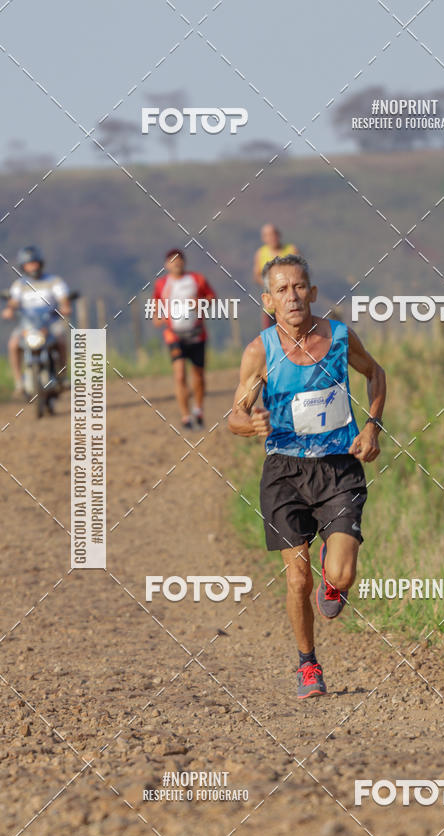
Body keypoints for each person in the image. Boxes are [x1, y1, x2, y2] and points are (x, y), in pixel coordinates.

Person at [229, 254, 386, 699]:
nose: (292, 296)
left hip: (339, 468)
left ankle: (332, 579)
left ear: (313, 293)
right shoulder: (260, 351)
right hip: (284, 472)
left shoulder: (339, 336)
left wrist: (372, 425)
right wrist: (249, 424)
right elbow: (235, 416)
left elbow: (376, 373)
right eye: (282, 290)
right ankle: (308, 664)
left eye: (299, 287)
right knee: (297, 579)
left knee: (341, 576)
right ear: (268, 300)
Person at [153, 248, 216, 430]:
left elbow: (211, 297)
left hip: (197, 334)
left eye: (179, 260)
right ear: (166, 265)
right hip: (174, 335)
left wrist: (201, 303)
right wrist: (159, 317)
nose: (176, 263)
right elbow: (156, 305)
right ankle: (185, 416)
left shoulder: (197, 279)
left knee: (198, 375)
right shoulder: (161, 284)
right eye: (172, 261)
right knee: (180, 374)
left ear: (184, 262)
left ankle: (198, 409)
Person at [2, 246, 71, 397]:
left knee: (60, 341)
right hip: (28, 325)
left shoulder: (53, 281)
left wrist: (65, 306)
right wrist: (9, 310)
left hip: (50, 323)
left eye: (34, 263)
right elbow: (14, 302)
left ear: (40, 263)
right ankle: (19, 382)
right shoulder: (20, 285)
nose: (32, 266)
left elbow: (63, 299)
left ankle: (63, 377)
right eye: (28, 264)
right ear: (23, 266)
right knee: (13, 345)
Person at [253, 224, 298, 329]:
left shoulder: (291, 250)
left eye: (273, 234)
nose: (271, 237)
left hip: (292, 303)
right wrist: (271, 285)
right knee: (273, 339)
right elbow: (257, 276)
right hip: (272, 306)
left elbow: (302, 273)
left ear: (279, 235)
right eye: (267, 235)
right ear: (263, 238)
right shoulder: (261, 253)